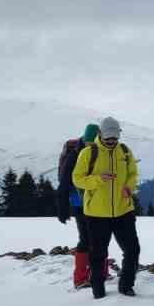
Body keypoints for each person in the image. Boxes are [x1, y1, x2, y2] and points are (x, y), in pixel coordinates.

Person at [72, 115, 141, 299]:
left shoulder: (125, 152)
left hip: (123, 210)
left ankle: (126, 284)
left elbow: (133, 174)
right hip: (96, 213)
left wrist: (129, 186)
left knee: (132, 249)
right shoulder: (88, 153)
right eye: (108, 138)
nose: (111, 141)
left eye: (115, 138)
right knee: (97, 253)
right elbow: (77, 178)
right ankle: (98, 288)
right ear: (100, 134)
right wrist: (97, 180)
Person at [56, 122, 99, 289]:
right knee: (86, 238)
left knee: (99, 236)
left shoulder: (98, 151)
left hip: (95, 200)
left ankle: (100, 272)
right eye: (89, 143)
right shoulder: (74, 155)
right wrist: (62, 207)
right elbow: (65, 182)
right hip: (78, 201)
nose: (91, 147)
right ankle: (80, 278)